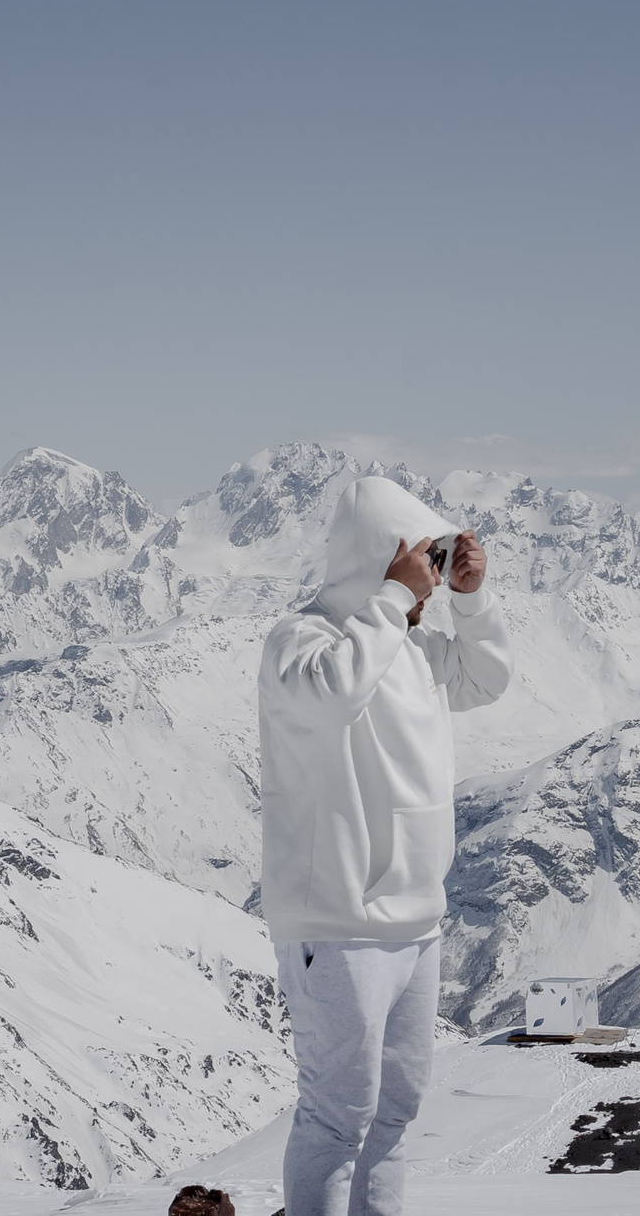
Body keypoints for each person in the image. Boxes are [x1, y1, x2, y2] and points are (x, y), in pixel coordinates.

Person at [256, 476, 513, 1216]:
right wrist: (396, 600)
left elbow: (488, 677)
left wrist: (469, 599)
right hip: (338, 923)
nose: (431, 572)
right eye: (425, 556)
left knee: (393, 1117)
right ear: (383, 556)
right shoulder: (301, 641)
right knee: (336, 1119)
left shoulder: (412, 644)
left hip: (415, 921)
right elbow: (337, 691)